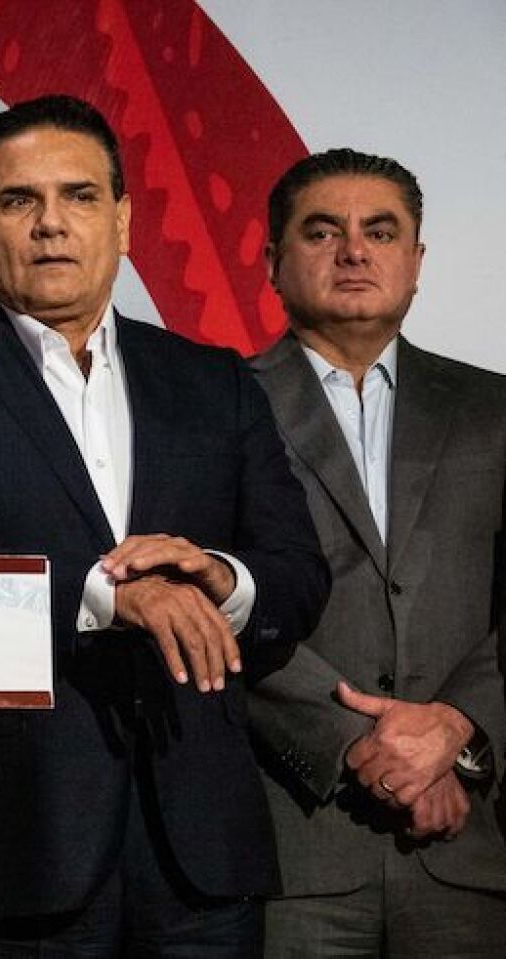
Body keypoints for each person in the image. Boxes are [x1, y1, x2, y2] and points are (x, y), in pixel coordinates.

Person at [0, 95, 328, 955]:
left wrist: (222, 579)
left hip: (204, 846)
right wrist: (109, 594)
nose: (49, 225)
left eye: (77, 197)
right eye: (17, 201)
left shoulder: (211, 379)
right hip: (27, 838)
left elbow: (297, 571)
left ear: (123, 220)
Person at [250, 148, 506, 956]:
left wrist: (457, 733)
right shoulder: (213, 405)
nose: (354, 250)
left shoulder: (495, 408)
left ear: (417, 261)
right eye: (322, 231)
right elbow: (217, 602)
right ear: (272, 262)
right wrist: (360, 743)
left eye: (380, 231)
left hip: (469, 845)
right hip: (295, 845)